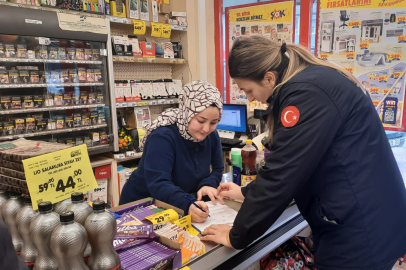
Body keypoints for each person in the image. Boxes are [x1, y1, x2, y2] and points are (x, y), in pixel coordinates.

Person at [200, 36, 406, 270]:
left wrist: (235, 236)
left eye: (249, 90)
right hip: (371, 217)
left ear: (269, 77)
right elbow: (297, 162)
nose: (250, 98)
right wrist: (246, 192)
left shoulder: (306, 94)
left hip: (361, 231)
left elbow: (282, 173)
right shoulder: (315, 79)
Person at [120, 81, 224, 223]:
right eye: (201, 121)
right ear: (187, 112)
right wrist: (187, 204)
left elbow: (218, 168)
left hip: (179, 204)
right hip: (143, 206)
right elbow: (159, 183)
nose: (206, 128)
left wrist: (208, 185)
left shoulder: (211, 136)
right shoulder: (163, 137)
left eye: (213, 122)